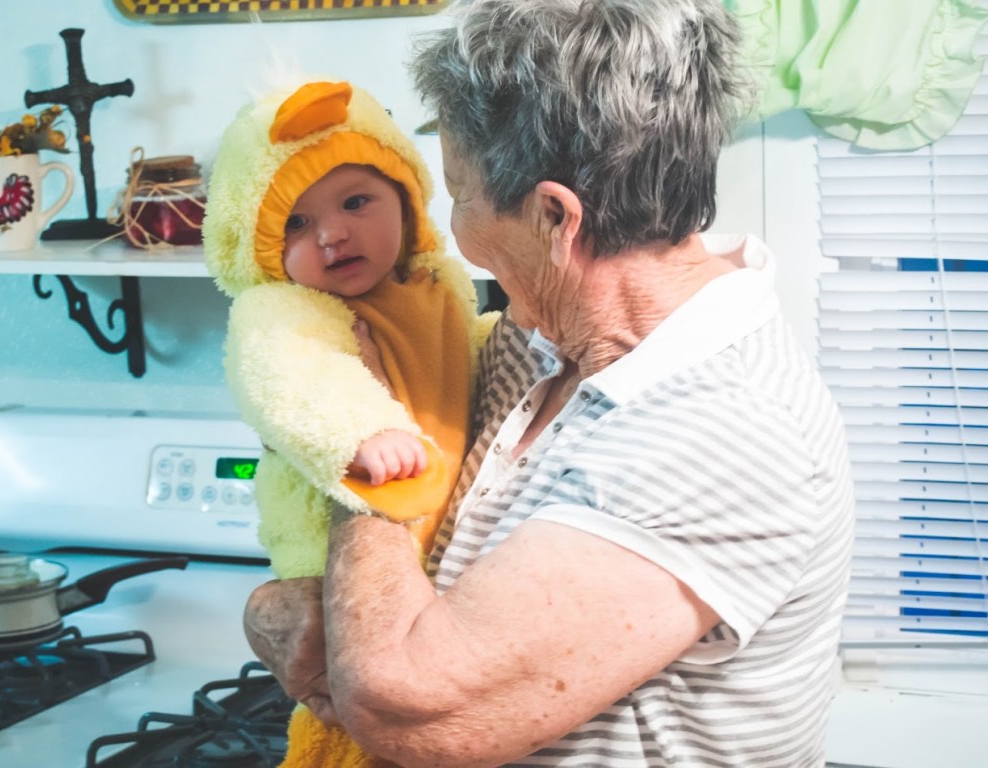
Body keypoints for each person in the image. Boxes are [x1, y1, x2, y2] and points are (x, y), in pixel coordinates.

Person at [243, 1, 856, 766]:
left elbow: (405, 705)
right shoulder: (538, 340)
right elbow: (396, 600)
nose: (456, 229)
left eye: (460, 194)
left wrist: (358, 423)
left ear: (553, 219)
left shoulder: (723, 433)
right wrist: (277, 607)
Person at [203, 78, 496, 767]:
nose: (332, 234)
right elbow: (294, 381)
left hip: (432, 554)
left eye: (357, 202)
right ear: (260, 246)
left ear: (407, 197)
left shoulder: (437, 285)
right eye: (295, 225)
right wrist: (360, 433)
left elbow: (466, 358)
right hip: (325, 552)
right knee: (345, 723)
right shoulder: (283, 310)